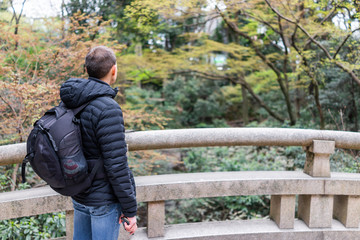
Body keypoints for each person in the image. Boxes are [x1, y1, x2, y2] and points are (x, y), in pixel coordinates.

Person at [60, 46, 137, 239]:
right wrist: (130, 211)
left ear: (86, 70)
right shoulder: (108, 108)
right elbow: (116, 164)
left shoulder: (71, 100)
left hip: (80, 192)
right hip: (103, 200)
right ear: (113, 70)